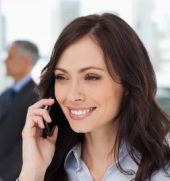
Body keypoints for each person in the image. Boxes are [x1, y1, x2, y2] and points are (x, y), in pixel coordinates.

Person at [19, 13, 170, 181]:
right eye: (62, 77)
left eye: (91, 77)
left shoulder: (163, 173)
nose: (72, 95)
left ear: (128, 83)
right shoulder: (46, 168)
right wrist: (33, 171)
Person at [0, 40, 40, 181]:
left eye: (10, 57)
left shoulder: (39, 96)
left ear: (26, 62)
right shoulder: (3, 96)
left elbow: (29, 142)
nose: (4, 61)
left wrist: (0, 176)